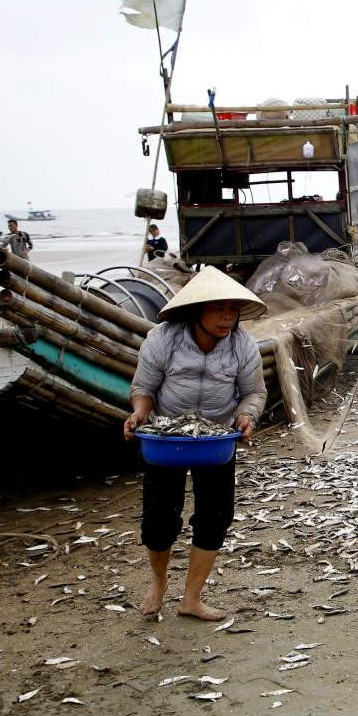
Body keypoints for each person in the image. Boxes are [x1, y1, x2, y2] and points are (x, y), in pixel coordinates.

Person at [124, 266, 267, 620]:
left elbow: (253, 392)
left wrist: (247, 416)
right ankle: (159, 583)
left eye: (233, 309)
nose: (227, 316)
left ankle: (192, 598)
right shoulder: (162, 339)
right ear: (195, 311)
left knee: (216, 516)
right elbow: (143, 388)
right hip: (167, 438)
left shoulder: (243, 345)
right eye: (218, 308)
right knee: (159, 519)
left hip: (216, 439)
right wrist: (140, 413)